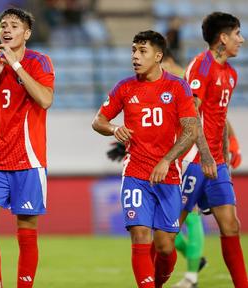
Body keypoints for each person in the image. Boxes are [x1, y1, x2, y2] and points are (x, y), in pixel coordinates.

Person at [92, 30, 198, 288]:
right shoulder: (125, 87)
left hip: (169, 175)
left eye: (142, 51)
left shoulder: (177, 86)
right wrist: (115, 129)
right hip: (135, 173)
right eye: (133, 50)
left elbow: (191, 131)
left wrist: (166, 160)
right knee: (140, 235)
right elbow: (98, 121)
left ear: (158, 56)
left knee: (164, 247)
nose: (135, 56)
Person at [0, 8, 54, 288]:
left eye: (14, 26)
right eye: (3, 25)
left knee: (26, 231)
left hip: (28, 160)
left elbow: (45, 99)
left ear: (26, 34)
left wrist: (16, 67)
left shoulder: (40, 62)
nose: (7, 29)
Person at [180, 12, 248, 288]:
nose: (242, 40)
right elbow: (190, 118)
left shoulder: (231, 74)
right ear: (223, 38)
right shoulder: (202, 66)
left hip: (216, 163)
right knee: (168, 234)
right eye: (237, 34)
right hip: (192, 160)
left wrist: (225, 150)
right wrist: (206, 154)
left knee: (231, 225)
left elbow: (218, 118)